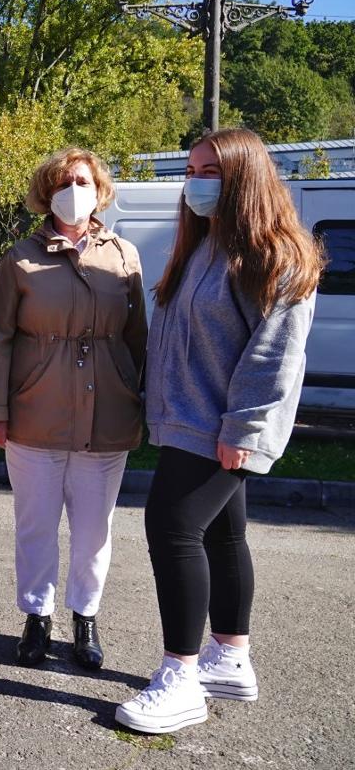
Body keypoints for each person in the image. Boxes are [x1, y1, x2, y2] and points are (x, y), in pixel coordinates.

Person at [115, 129, 322, 734]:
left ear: (245, 177)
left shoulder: (278, 254)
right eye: (190, 169)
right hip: (188, 419)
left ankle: (179, 678)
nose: (195, 181)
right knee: (224, 536)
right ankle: (230, 656)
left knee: (172, 527)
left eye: (211, 170)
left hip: (220, 427)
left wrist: (246, 429)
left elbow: (274, 356)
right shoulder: (203, 245)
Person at [0, 147, 147, 671]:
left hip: (108, 416)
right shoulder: (20, 258)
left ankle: (86, 617)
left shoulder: (123, 255)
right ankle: (37, 617)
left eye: (84, 180)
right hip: (34, 415)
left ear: (100, 189)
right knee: (36, 526)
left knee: (95, 530)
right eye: (65, 181)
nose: (76, 189)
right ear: (47, 193)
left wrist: (143, 400)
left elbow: (138, 339)